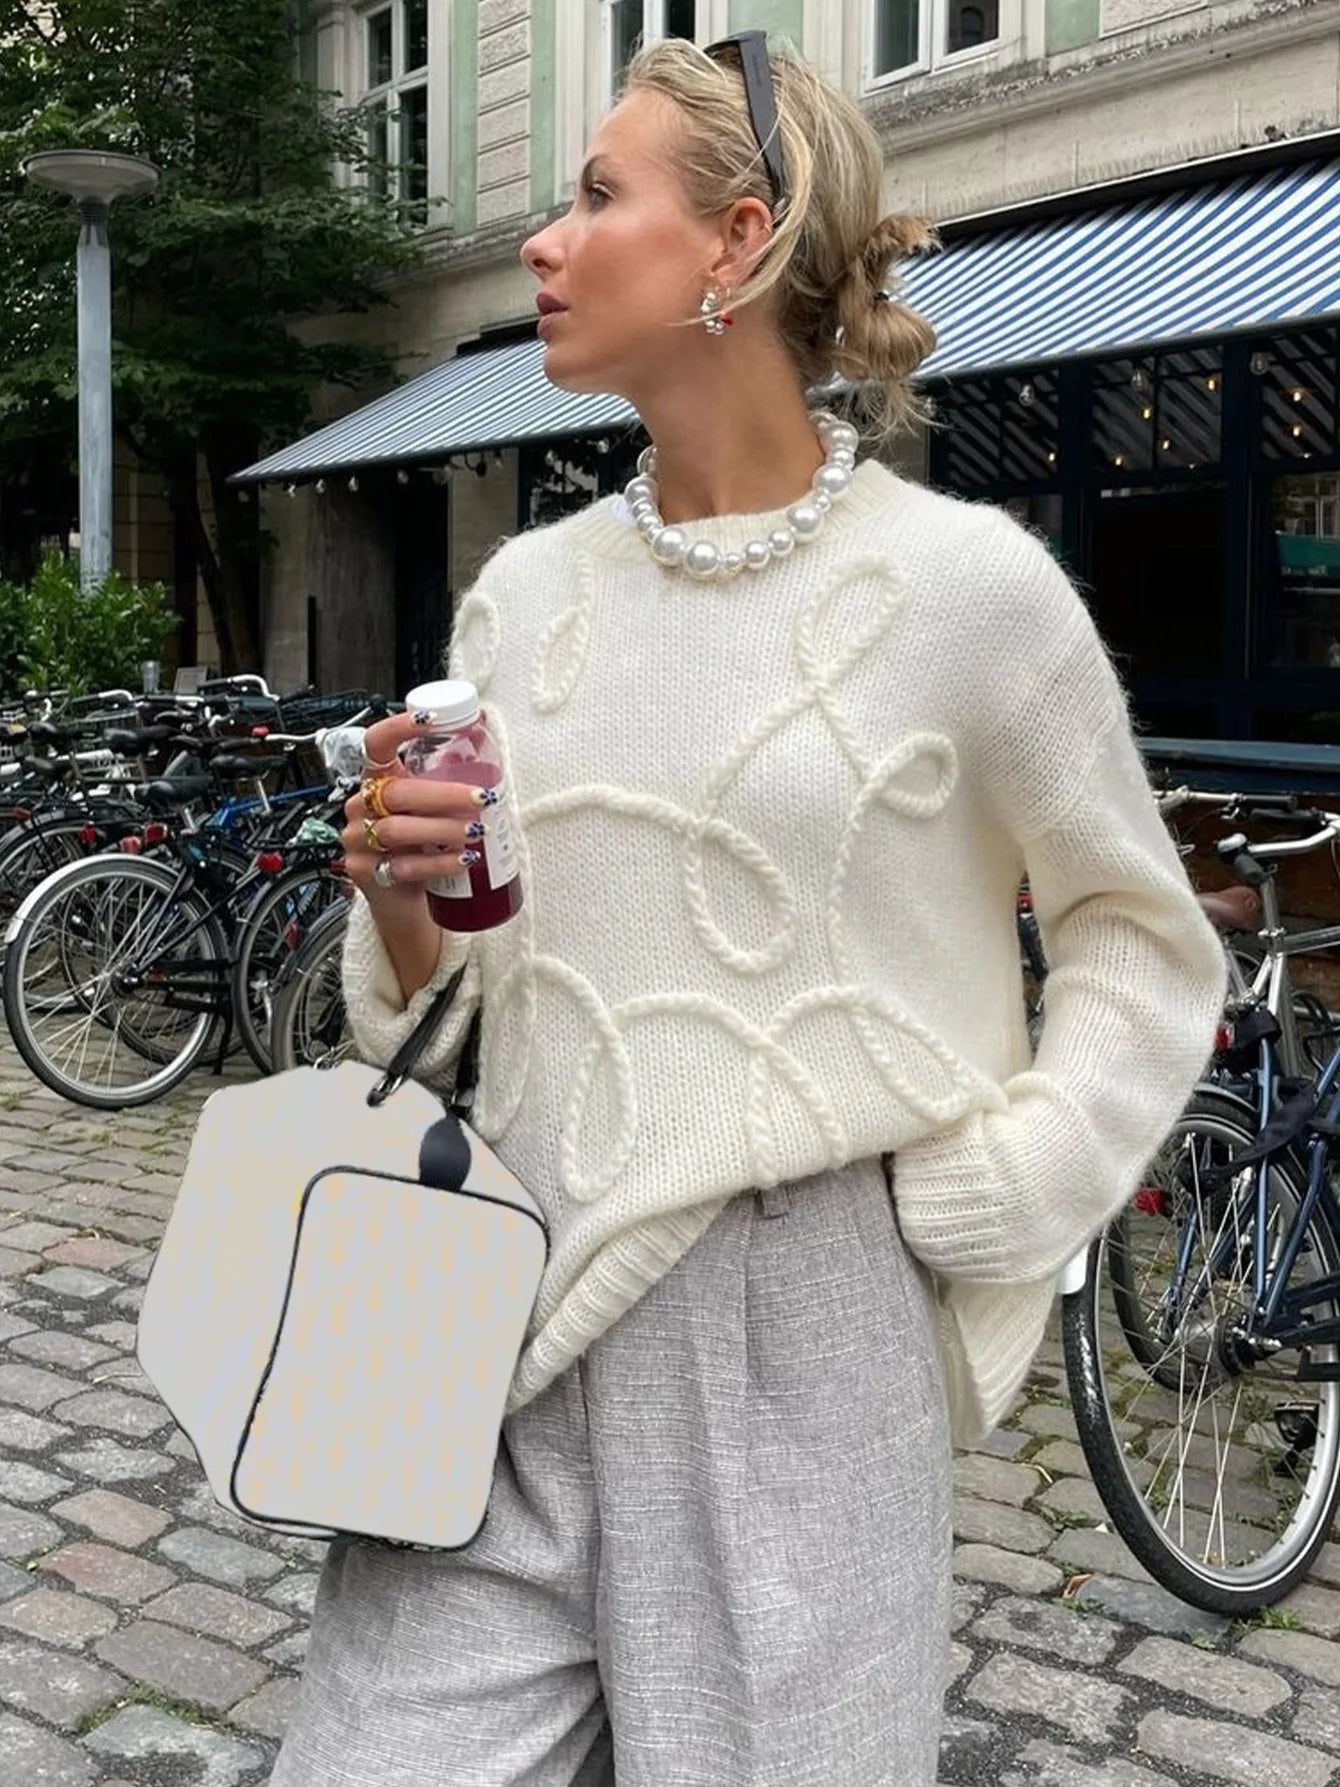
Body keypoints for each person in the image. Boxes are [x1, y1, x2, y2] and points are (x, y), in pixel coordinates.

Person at [267, 30, 1224, 1787]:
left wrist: (1010, 1183)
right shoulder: (525, 596)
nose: (544, 241)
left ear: (739, 238)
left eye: (596, 195)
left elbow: (1141, 940)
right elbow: (466, 1002)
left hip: (803, 1321)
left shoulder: (971, 592)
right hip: (496, 1303)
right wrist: (402, 902)